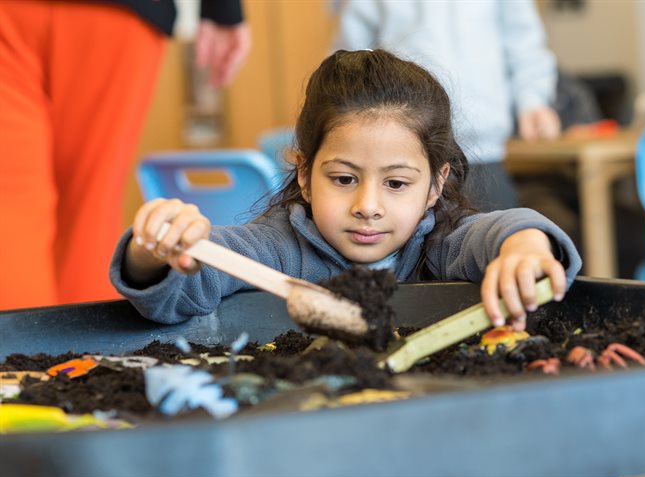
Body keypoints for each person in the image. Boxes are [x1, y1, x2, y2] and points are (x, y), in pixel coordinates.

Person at [110, 49, 581, 330]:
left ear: (436, 185)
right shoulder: (279, 249)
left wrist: (524, 246)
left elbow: (498, 230)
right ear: (303, 174)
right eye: (343, 179)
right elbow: (201, 273)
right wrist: (153, 252)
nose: (368, 207)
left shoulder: (438, 246)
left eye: (396, 183)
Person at [0, 0, 251, 310]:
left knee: (8, 210)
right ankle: (84, 355)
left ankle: (14, 355)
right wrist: (223, 10)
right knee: (90, 212)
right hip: (116, 15)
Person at [331, 0, 561, 212]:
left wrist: (533, 100)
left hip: (485, 154)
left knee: (496, 241)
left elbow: (523, 41)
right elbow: (353, 52)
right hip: (404, 153)